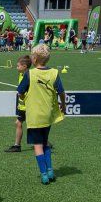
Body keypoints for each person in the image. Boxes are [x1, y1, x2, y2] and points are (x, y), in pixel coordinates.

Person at [16, 44, 66, 184]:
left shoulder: (30, 74)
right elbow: (61, 92)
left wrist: (23, 98)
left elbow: (20, 92)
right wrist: (63, 104)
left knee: (37, 145)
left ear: (35, 59)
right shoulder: (54, 73)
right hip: (48, 114)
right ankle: (50, 171)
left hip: (34, 115)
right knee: (45, 142)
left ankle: (44, 174)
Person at [5, 54, 33, 153]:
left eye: (18, 66)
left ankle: (17, 146)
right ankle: (17, 145)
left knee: (23, 124)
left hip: (28, 106)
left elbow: (22, 92)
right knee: (22, 123)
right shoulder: (23, 74)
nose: (16, 67)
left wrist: (24, 99)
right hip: (24, 106)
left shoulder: (28, 75)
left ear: (24, 66)